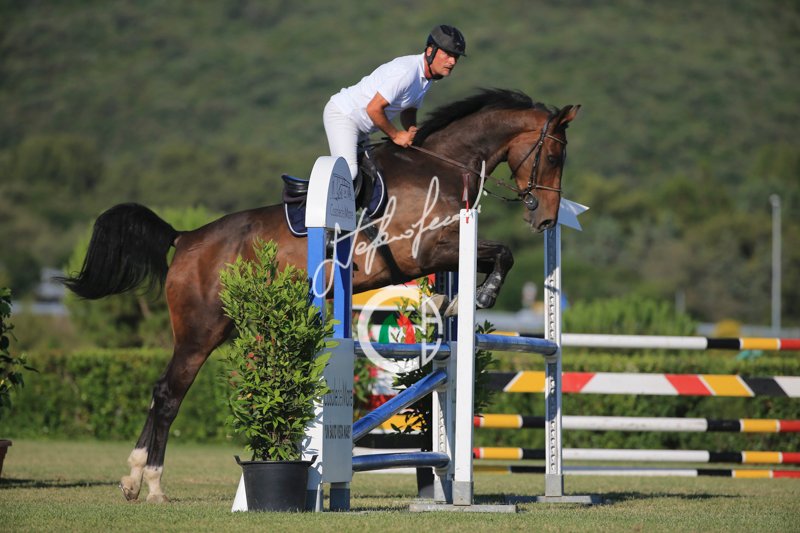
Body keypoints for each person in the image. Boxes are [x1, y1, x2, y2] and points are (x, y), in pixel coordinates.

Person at [323, 24, 467, 182]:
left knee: (369, 177)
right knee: (349, 173)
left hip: (361, 128)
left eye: (456, 56)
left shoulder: (427, 77)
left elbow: (409, 110)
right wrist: (396, 135)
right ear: (430, 51)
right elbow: (373, 109)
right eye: (448, 54)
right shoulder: (407, 72)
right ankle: (309, 196)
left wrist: (412, 131)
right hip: (343, 115)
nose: (452, 61)